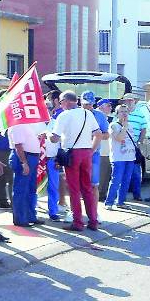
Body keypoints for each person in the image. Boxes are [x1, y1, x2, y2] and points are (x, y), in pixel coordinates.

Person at [51, 91, 101, 232]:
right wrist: (91, 150)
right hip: (86, 152)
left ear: (66, 101)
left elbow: (54, 138)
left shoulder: (64, 115)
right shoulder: (87, 113)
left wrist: (48, 134)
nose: (60, 105)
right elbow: (97, 134)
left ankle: (78, 222)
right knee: (87, 188)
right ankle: (93, 221)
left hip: (72, 153)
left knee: (74, 189)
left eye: (60, 102)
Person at [8, 121, 46, 227]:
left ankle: (30, 215)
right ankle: (20, 219)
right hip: (24, 157)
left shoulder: (28, 124)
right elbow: (18, 145)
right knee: (21, 189)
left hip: (31, 156)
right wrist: (24, 163)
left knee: (31, 189)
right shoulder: (17, 124)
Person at [81, 92, 109, 219]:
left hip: (94, 154)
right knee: (76, 185)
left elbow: (106, 135)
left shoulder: (100, 116)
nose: (89, 106)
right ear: (81, 102)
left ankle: (94, 212)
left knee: (94, 185)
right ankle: (76, 212)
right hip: (78, 153)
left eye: (91, 103)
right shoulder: (76, 114)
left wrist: (95, 135)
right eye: (86, 103)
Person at [105, 104, 136, 210]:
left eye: (126, 111)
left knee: (126, 180)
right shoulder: (113, 125)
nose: (124, 114)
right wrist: (124, 126)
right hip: (118, 158)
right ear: (117, 114)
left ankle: (121, 202)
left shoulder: (130, 125)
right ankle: (109, 202)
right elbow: (119, 138)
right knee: (116, 180)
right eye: (122, 112)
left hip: (130, 157)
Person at [122, 93, 147, 201]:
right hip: (122, 146)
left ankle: (137, 195)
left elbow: (143, 129)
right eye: (126, 101)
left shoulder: (140, 114)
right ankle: (121, 196)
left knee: (136, 173)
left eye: (130, 100)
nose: (128, 102)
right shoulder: (120, 113)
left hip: (134, 146)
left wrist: (140, 141)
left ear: (135, 101)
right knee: (122, 172)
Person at [96, 98, 114, 202]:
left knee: (106, 175)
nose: (110, 107)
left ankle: (102, 195)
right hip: (101, 151)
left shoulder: (107, 118)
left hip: (108, 151)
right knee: (101, 175)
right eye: (108, 105)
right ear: (100, 106)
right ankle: (98, 195)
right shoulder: (97, 117)